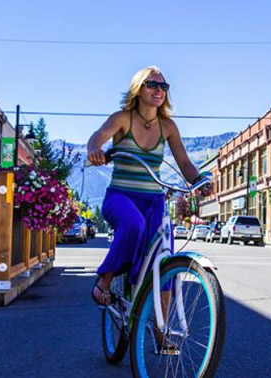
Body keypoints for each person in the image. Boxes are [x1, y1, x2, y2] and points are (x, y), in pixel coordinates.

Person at [87, 66, 209, 307]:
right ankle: (105, 280)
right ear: (138, 88)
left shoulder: (168, 127)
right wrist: (94, 150)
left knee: (163, 256)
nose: (159, 90)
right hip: (121, 196)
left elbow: (184, 162)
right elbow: (98, 136)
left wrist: (200, 181)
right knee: (134, 224)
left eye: (163, 86)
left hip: (153, 201)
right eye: (152, 84)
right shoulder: (122, 118)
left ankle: (162, 333)